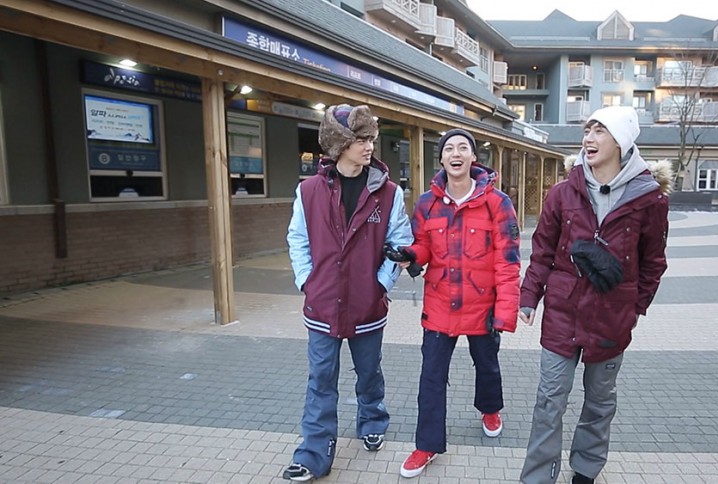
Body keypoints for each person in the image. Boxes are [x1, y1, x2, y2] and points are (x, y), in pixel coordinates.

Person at [518, 106, 673, 484]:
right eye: (587, 130)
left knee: (600, 402)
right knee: (549, 400)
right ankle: (538, 476)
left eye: (599, 131)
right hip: (562, 309)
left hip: (612, 316)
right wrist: (529, 296)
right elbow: (542, 251)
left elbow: (653, 261)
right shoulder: (562, 193)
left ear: (620, 140)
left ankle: (586, 470)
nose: (589, 138)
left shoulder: (650, 200)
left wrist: (634, 308)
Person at [284, 104, 413, 482]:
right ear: (338, 144)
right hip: (321, 304)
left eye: (371, 138)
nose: (369, 146)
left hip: (367, 304)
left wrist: (381, 283)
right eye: (360, 139)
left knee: (368, 371)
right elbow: (297, 239)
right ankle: (313, 454)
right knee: (321, 378)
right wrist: (307, 280)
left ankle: (372, 418)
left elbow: (400, 242)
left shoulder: (389, 193)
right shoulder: (308, 191)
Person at [386, 128, 521, 479]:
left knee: (487, 366)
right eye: (449, 148)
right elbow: (423, 246)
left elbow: (508, 261)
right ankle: (427, 445)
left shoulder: (497, 203)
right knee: (431, 377)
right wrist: (409, 254)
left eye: (463, 147)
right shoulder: (427, 203)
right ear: (442, 158)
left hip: (483, 306)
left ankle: (490, 409)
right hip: (440, 305)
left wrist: (505, 312)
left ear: (473, 158)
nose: (456, 153)